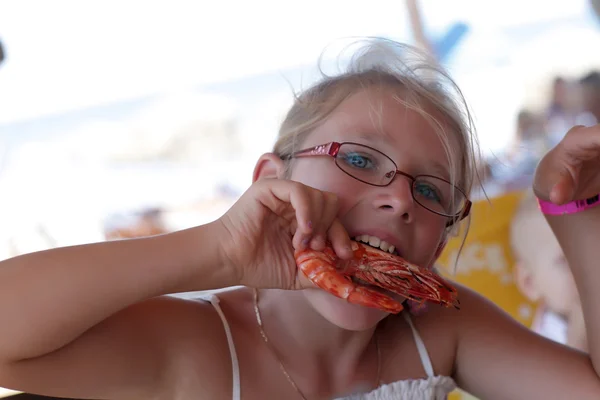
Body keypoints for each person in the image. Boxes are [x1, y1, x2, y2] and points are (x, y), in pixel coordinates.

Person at [1, 38, 600, 400]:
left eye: (431, 191)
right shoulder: (203, 348)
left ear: (438, 245)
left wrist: (571, 210)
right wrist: (216, 250)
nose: (399, 199)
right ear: (270, 180)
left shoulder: (441, 331)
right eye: (360, 158)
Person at [511, 190, 588, 351]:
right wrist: (581, 339)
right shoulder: (544, 346)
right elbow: (568, 375)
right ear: (530, 283)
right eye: (568, 260)